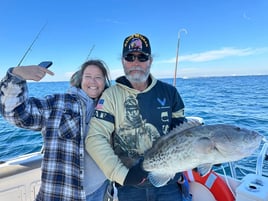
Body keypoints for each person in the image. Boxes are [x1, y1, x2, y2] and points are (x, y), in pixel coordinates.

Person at [85, 33, 194, 201]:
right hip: (129, 186)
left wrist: (206, 156)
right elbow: (95, 138)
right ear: (123, 61)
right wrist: (122, 176)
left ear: (150, 61)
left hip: (169, 183)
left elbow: (182, 136)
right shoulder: (110, 96)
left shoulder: (170, 93)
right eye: (130, 57)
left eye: (142, 57)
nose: (136, 62)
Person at [0, 59, 111, 201]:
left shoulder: (110, 107)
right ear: (80, 80)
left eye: (98, 77)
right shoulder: (58, 103)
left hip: (100, 190)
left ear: (105, 82)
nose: (93, 82)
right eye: (88, 76)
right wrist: (17, 75)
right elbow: (14, 113)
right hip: (62, 195)